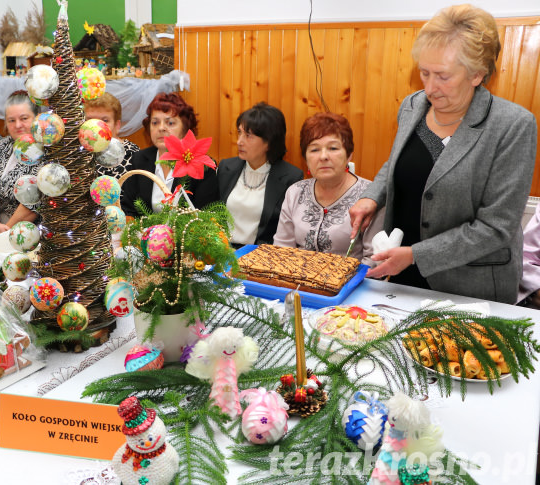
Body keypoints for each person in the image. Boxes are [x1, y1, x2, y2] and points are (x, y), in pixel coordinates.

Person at [348, 4, 537, 303]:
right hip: (403, 273)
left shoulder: (512, 126)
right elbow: (398, 162)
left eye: (442, 76)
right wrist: (372, 197)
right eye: (424, 73)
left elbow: (495, 227)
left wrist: (415, 255)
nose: (430, 88)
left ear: (477, 74)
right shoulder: (412, 106)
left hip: (470, 287)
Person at [273, 112, 383, 266]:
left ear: (349, 155)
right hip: (297, 282)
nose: (323, 156)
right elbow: (281, 250)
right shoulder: (295, 192)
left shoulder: (370, 195)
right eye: (314, 150)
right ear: (305, 158)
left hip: (352, 285)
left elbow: (374, 259)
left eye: (333, 148)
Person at [217, 102, 303, 246]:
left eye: (248, 136)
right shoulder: (226, 168)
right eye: (239, 133)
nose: (239, 142)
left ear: (269, 142)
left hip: (260, 256)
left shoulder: (290, 177)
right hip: (222, 251)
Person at [120, 92, 218, 218]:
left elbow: (206, 216)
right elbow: (128, 209)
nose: (161, 128)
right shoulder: (139, 160)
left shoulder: (202, 165)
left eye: (170, 123)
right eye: (155, 123)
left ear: (185, 128)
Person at [0, 90, 39, 234]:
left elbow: (35, 202)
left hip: (25, 232)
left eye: (24, 118)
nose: (18, 125)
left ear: (37, 118)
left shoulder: (45, 150)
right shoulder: (3, 144)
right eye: (11, 120)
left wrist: (3, 233)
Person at [83, 92, 139, 179]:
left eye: (105, 120)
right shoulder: (78, 152)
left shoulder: (132, 154)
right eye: (90, 120)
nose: (97, 126)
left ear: (117, 125)